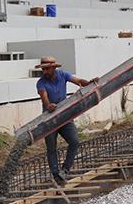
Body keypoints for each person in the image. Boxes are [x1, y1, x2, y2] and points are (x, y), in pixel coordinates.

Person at [35, 56, 98, 185]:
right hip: (50, 118)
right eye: (43, 69)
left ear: (53, 68)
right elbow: (44, 97)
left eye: (47, 69)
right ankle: (56, 174)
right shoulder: (41, 82)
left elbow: (78, 80)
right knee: (51, 148)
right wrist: (48, 105)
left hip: (64, 116)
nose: (45, 72)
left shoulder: (63, 75)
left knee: (74, 141)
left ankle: (65, 170)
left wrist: (90, 82)